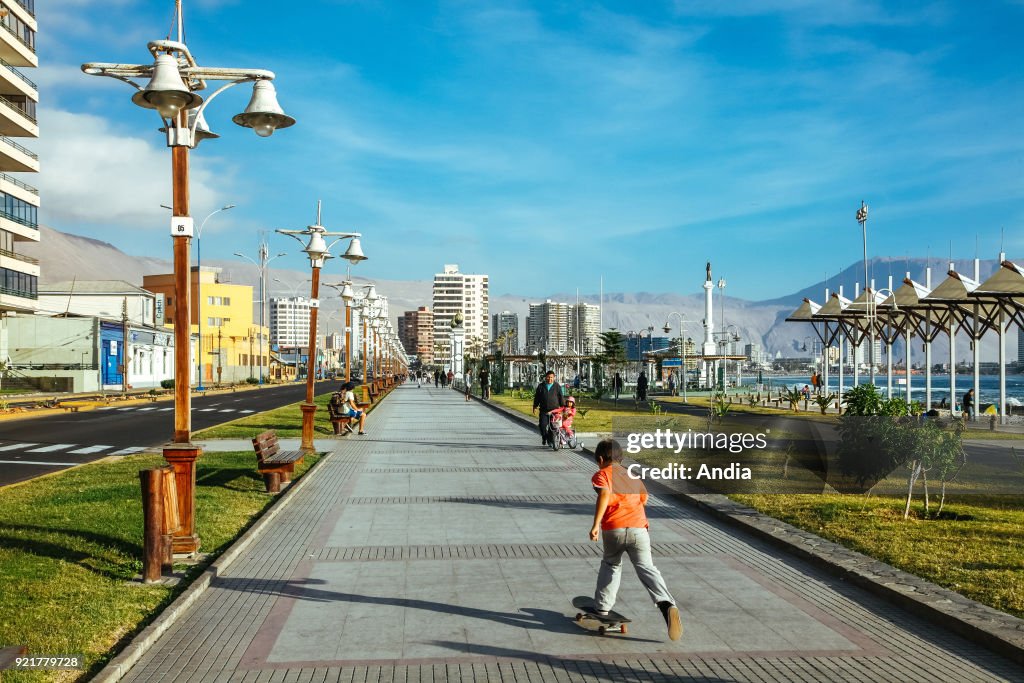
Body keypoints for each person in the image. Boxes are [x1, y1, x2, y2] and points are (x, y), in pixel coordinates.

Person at [588, 438, 682, 641]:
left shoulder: (602, 474)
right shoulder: (632, 475)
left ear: (601, 459)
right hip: (639, 529)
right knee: (647, 568)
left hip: (614, 529)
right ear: (620, 458)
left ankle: (603, 608)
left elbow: (604, 494)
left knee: (611, 564)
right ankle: (667, 603)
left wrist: (595, 525)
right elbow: (644, 498)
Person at [532, 370, 564, 446]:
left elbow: (561, 397)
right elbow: (537, 397)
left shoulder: (557, 386)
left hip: (554, 411)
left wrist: (563, 407)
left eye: (551, 377)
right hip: (544, 410)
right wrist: (535, 406)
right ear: (546, 377)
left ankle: (550, 441)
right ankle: (544, 436)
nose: (550, 379)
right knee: (542, 425)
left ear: (554, 378)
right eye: (548, 377)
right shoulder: (541, 386)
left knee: (552, 427)